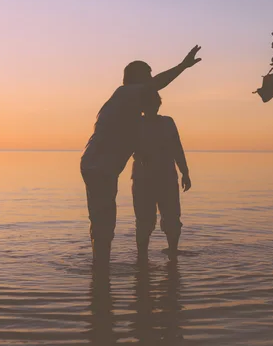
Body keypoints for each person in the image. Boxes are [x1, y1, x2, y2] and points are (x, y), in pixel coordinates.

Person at [81, 45, 202, 266]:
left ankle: (101, 271)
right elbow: (156, 85)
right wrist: (184, 66)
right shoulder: (125, 92)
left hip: (99, 166)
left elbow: (139, 138)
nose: (150, 80)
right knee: (103, 223)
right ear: (138, 78)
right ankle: (100, 271)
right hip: (99, 166)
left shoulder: (130, 110)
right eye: (147, 75)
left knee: (103, 222)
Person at [132, 91, 191, 261]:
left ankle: (173, 253)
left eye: (155, 103)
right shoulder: (136, 124)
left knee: (172, 218)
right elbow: (126, 147)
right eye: (149, 104)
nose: (153, 107)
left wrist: (185, 172)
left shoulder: (168, 122)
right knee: (144, 221)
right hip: (143, 179)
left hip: (167, 178)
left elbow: (177, 148)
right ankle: (142, 257)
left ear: (159, 105)